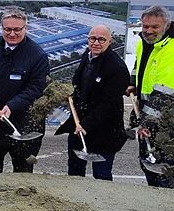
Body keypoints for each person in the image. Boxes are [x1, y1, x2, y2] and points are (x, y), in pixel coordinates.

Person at [128, 5, 174, 188]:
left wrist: (145, 121)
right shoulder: (146, 44)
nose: (149, 31)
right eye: (145, 26)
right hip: (153, 116)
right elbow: (141, 66)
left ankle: (171, 208)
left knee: (167, 172)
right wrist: (132, 82)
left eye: (155, 27)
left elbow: (166, 93)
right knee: (150, 167)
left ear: (167, 26)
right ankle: (157, 208)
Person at [0, 8, 49, 173]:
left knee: (22, 170)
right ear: (2, 28)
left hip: (23, 124)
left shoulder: (37, 55)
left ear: (25, 28)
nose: (12, 33)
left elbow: (36, 88)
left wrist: (12, 106)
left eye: (17, 29)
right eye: (8, 29)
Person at [55, 25, 128, 180]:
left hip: (104, 131)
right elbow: (78, 82)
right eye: (92, 38)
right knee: (75, 172)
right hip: (79, 126)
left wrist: (86, 124)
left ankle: (102, 202)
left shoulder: (117, 68)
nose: (96, 42)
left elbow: (109, 104)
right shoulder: (87, 56)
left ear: (110, 41)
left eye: (101, 39)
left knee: (101, 175)